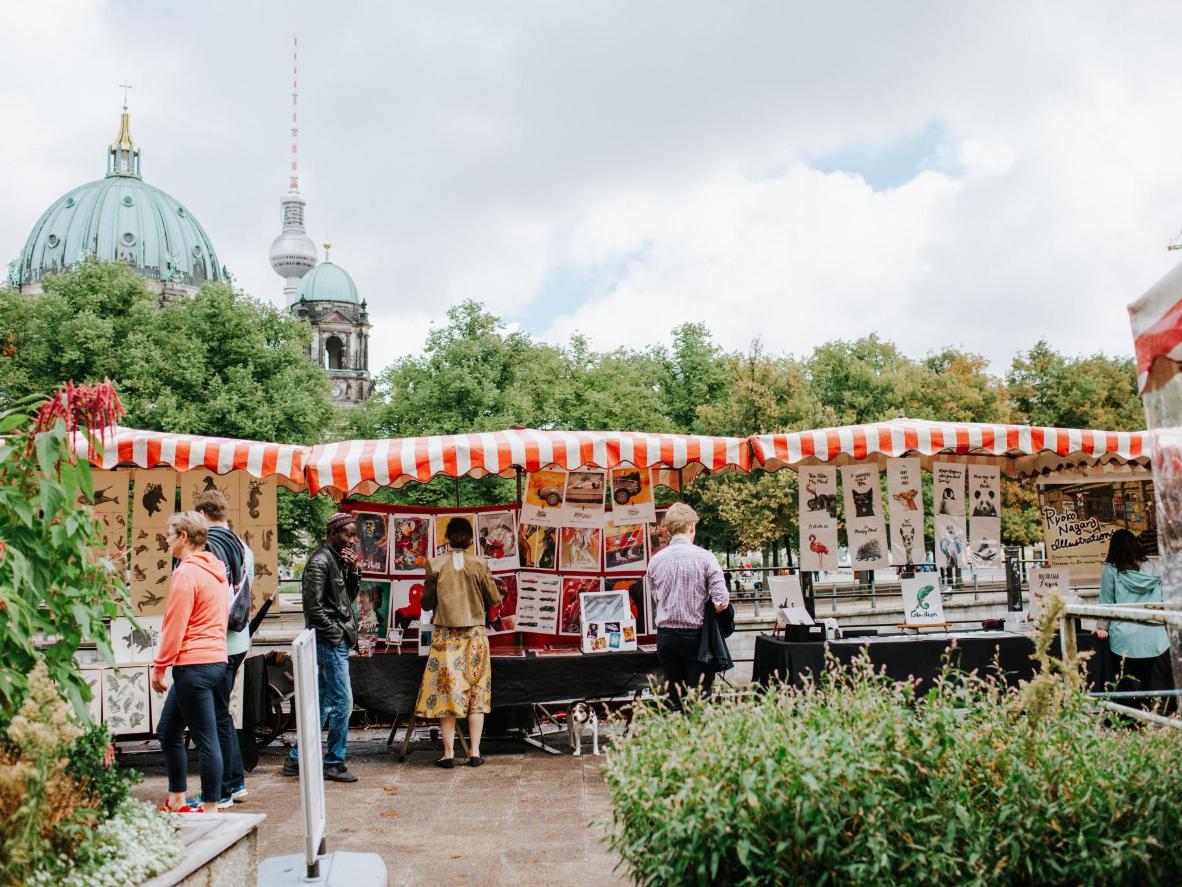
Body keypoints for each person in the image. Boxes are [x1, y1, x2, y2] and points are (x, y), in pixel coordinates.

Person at [152, 512, 230, 813]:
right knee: (168, 731)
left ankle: (210, 806)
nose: (166, 539)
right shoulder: (215, 571)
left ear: (184, 537)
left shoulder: (186, 572)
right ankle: (177, 798)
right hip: (214, 661)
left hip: (193, 665)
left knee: (206, 738)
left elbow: (175, 624)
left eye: (170, 534)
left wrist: (160, 667)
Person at [415, 517, 501, 768]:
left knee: (447, 693)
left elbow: (427, 603)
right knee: (477, 693)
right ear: (471, 539)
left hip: (446, 637)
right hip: (475, 636)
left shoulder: (435, 564)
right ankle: (474, 752)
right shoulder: (480, 563)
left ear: (447, 538)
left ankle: (449, 753)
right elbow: (494, 599)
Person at [282, 512, 361, 783]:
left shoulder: (338, 561)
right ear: (332, 533)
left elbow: (346, 598)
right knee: (343, 703)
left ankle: (296, 758)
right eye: (347, 534)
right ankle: (333, 762)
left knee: (325, 703)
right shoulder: (319, 562)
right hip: (329, 641)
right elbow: (314, 609)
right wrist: (336, 635)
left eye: (354, 535)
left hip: (335, 639)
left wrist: (353, 571)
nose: (353, 540)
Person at [194, 489, 253, 807]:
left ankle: (227, 787)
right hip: (239, 639)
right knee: (221, 712)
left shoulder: (213, 545)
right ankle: (236, 782)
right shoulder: (242, 546)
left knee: (216, 715)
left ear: (202, 514)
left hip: (219, 641)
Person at [646, 503, 729, 711]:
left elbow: (656, 597)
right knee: (699, 699)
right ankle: (697, 740)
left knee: (675, 699)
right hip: (698, 639)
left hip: (666, 638)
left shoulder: (655, 561)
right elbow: (721, 602)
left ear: (668, 530)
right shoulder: (706, 558)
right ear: (691, 526)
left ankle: (677, 738)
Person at [1094, 529, 1175, 710]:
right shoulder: (1155, 567)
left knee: (1126, 682)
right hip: (1155, 635)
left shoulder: (1111, 570)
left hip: (1124, 637)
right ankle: (1149, 713)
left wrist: (1102, 627)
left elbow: (1106, 602)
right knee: (1149, 681)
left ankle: (1130, 720)